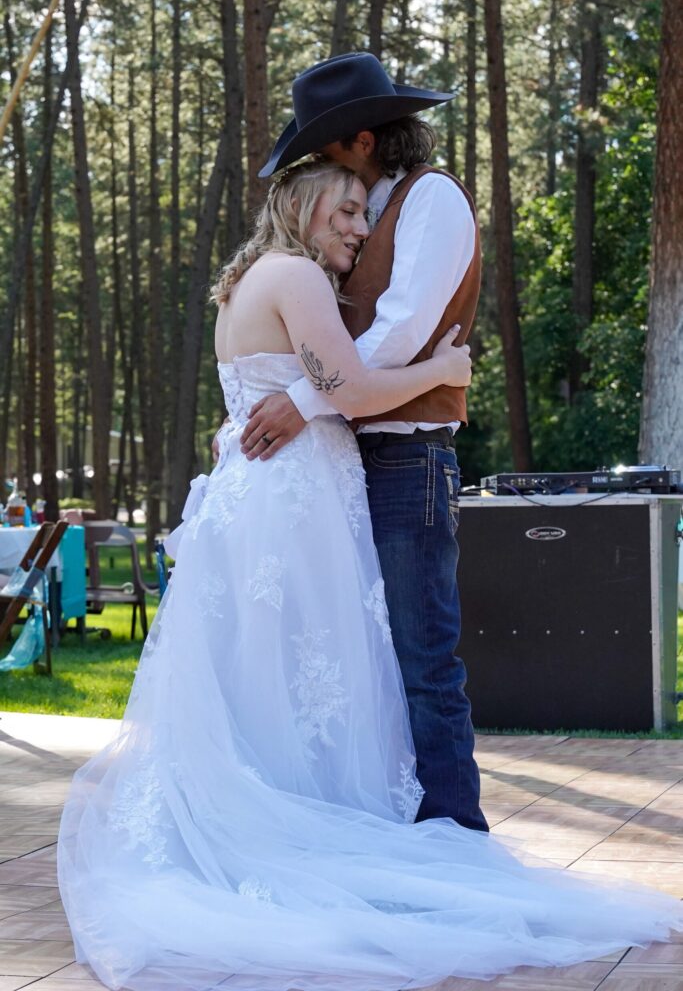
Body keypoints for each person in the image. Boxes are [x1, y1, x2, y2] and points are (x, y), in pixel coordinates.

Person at [58, 161, 682, 991]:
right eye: (345, 211)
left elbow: (277, 393)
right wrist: (441, 374)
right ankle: (337, 837)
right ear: (298, 206)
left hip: (259, 503)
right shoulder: (297, 276)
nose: (358, 227)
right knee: (327, 672)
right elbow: (345, 391)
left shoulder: (245, 283)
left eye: (363, 211)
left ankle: (281, 827)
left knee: (269, 679)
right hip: (295, 506)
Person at [241, 52, 487, 831]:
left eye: (324, 144)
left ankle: (454, 828)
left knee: (421, 657)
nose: (317, 163)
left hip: (407, 457)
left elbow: (403, 330)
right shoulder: (358, 216)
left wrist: (304, 401)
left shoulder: (432, 199)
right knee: (362, 656)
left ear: (360, 140)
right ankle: (385, 819)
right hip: (348, 463)